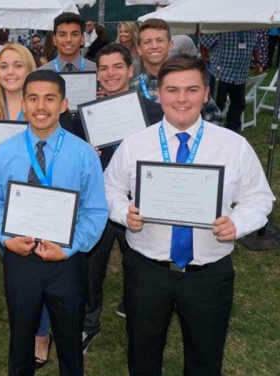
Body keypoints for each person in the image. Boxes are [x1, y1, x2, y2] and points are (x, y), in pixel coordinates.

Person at [105, 54, 274, 376]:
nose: (181, 99)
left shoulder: (233, 146)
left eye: (192, 89)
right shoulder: (135, 144)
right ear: (159, 94)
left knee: (205, 356)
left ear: (206, 94)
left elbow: (260, 198)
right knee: (142, 351)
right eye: (172, 90)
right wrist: (124, 212)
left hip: (209, 272)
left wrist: (238, 223)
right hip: (147, 270)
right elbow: (109, 189)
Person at [0, 69, 108, 375]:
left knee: (68, 339)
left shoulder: (82, 154)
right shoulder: (5, 152)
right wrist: (6, 238)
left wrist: (70, 248)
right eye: (34, 98)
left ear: (64, 104)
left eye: (50, 99)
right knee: (21, 335)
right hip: (20, 257)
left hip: (65, 259)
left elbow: (95, 210)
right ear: (23, 103)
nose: (41, 106)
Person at [81, 43, 164, 354]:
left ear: (131, 71)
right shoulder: (86, 114)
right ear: (97, 74)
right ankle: (88, 324)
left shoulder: (156, 113)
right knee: (91, 268)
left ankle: (136, 321)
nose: (110, 73)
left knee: (140, 267)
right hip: (98, 204)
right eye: (103, 68)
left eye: (117, 67)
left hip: (139, 205)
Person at [129, 18, 224, 126]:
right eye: (147, 42)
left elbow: (214, 118)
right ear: (139, 49)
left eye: (160, 40)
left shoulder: (190, 80)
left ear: (170, 45)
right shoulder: (132, 88)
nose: (154, 46)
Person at [199, 30, 263, 133]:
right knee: (216, 103)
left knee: (239, 104)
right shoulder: (223, 29)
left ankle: (232, 130)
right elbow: (203, 41)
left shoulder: (251, 30)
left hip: (240, 75)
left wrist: (257, 62)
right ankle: (210, 129)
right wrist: (204, 56)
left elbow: (256, 48)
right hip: (221, 74)